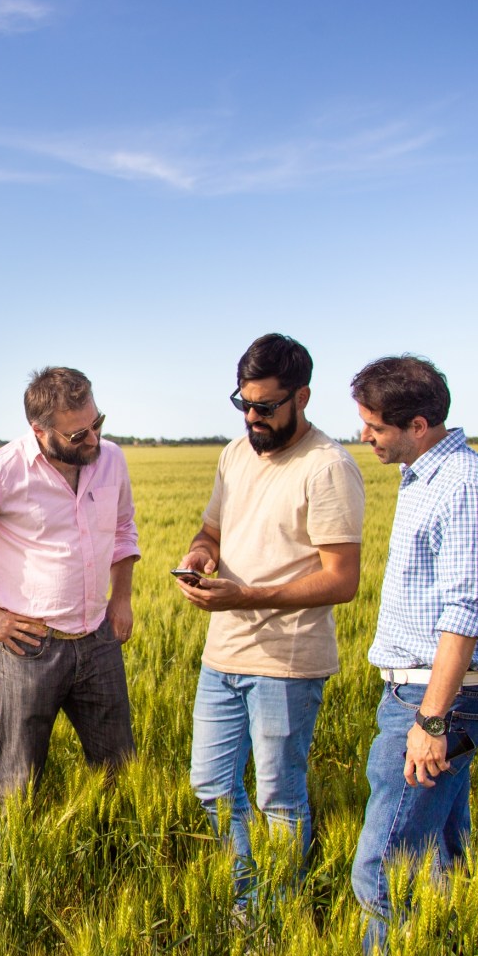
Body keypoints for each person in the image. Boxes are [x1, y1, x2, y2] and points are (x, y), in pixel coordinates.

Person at [175, 334, 365, 907]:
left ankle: (275, 915)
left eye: (266, 406)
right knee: (210, 786)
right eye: (244, 404)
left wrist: (247, 597)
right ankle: (243, 898)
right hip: (222, 656)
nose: (253, 418)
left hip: (286, 663)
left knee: (279, 799)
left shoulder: (328, 467)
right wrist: (199, 557)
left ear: (301, 396)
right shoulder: (235, 454)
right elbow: (210, 531)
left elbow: (342, 579)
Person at [347, 355, 478, 956]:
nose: (364, 434)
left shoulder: (464, 487)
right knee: (444, 857)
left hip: (434, 701)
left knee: (382, 868)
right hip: (420, 696)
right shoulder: (423, 477)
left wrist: (432, 721)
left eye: (374, 425)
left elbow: (463, 614)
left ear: (418, 424)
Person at [0, 366, 140, 802]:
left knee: (120, 775)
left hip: (99, 640)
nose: (93, 440)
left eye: (97, 424)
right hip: (31, 649)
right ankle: (13, 867)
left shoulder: (110, 458)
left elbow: (124, 529)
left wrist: (121, 598)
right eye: (77, 435)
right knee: (19, 783)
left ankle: (114, 860)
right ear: (40, 431)